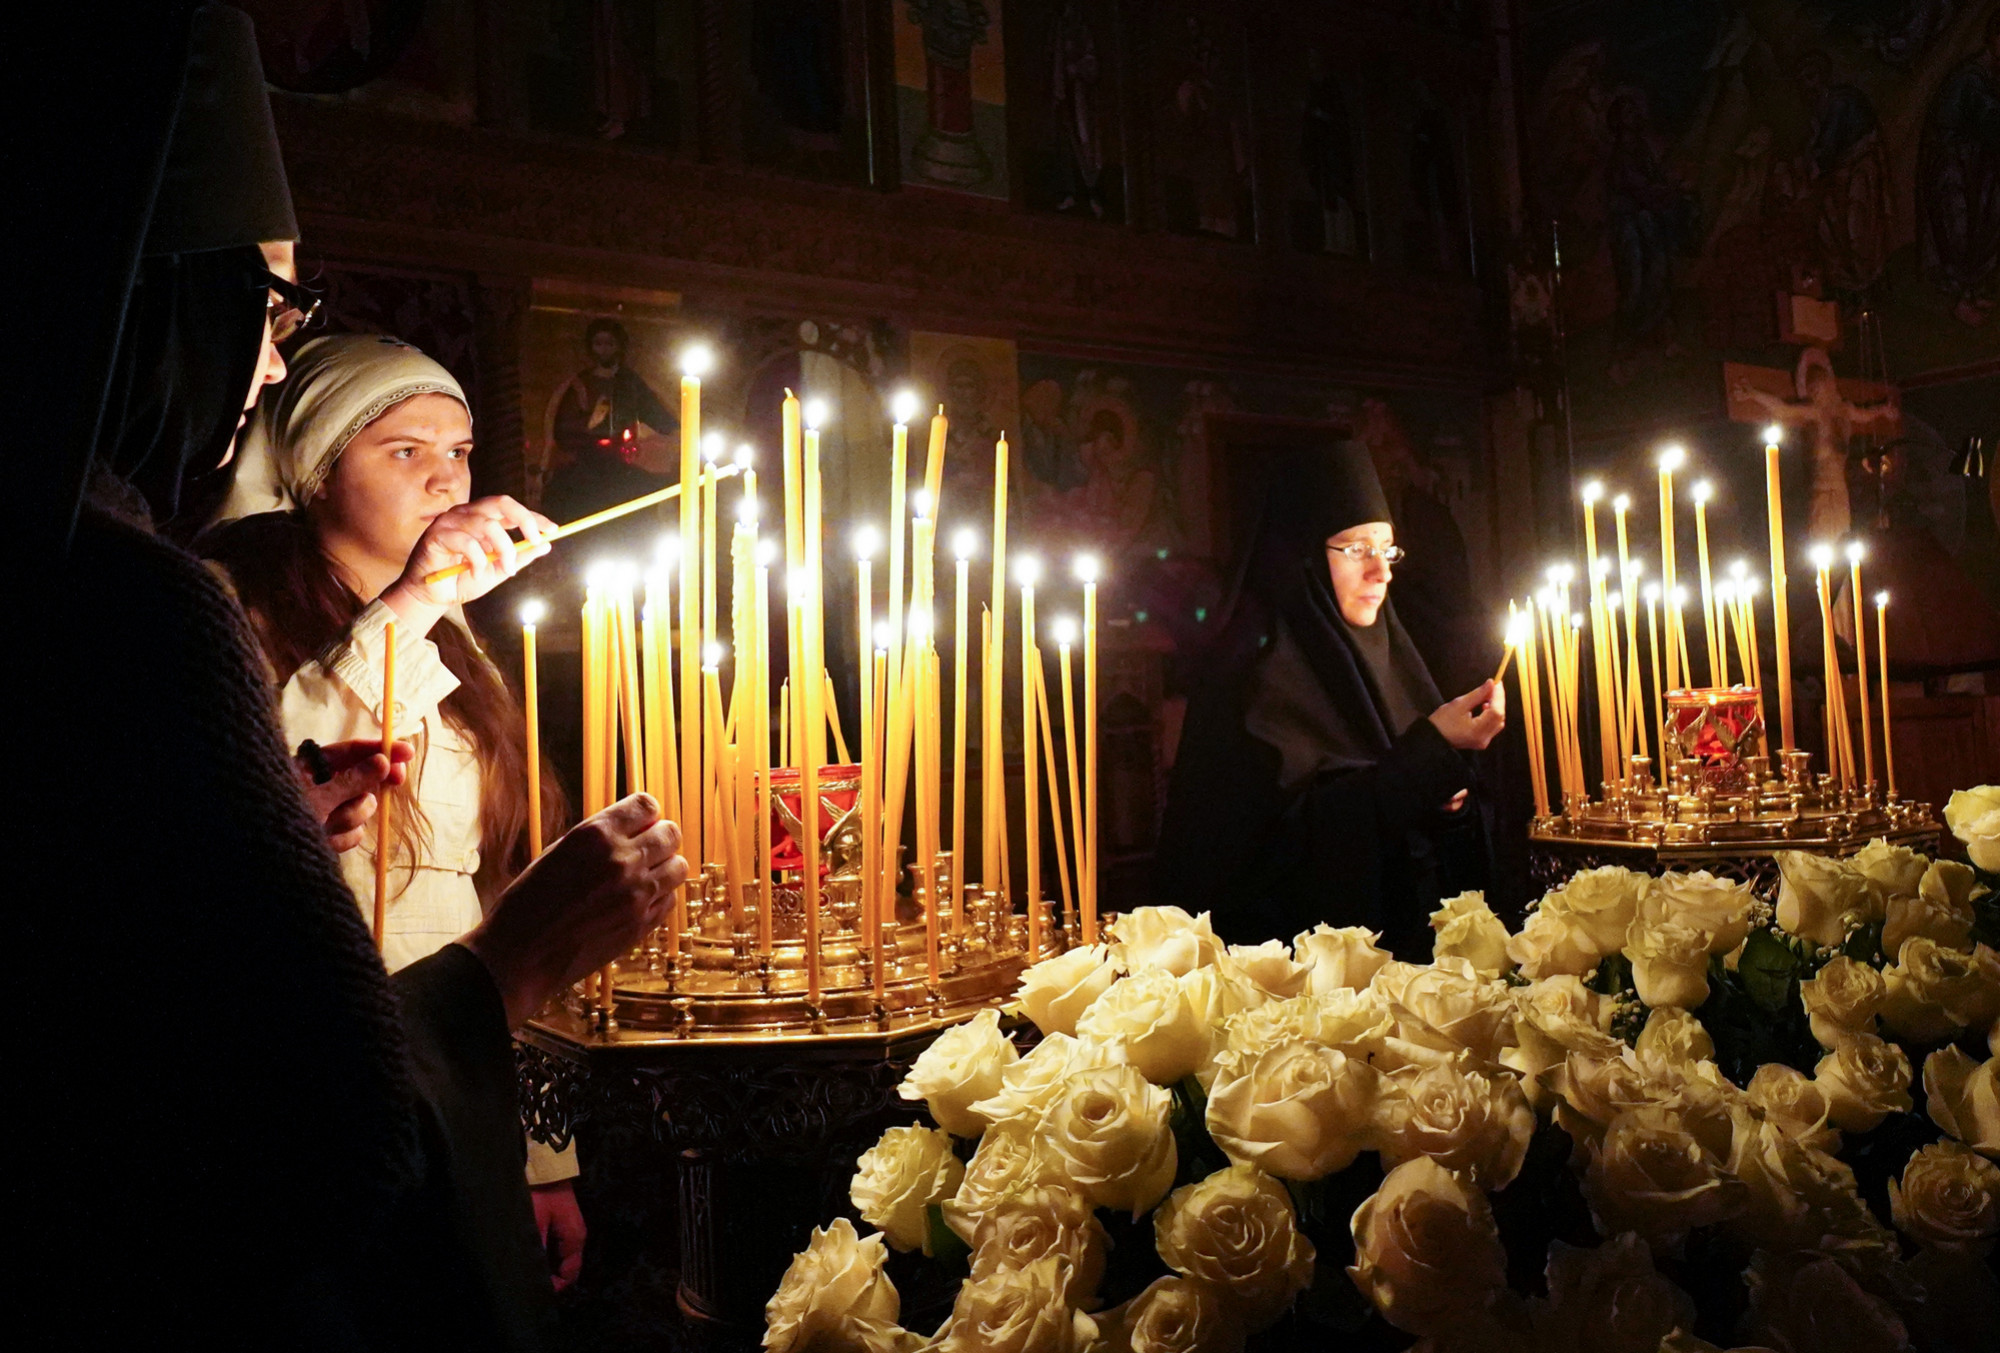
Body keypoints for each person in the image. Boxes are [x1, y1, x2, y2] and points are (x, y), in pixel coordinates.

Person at [16, 7, 685, 1348]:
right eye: (266, 303)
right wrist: (521, 959)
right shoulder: (156, 605)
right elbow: (288, 1127)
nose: (272, 353)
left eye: (462, 446)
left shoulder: (444, 654)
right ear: (156, 298)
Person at [204, 332, 588, 1289]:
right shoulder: (225, 605)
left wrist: (542, 1155)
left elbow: (502, 897)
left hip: (466, 1056)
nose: (445, 481)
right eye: (404, 451)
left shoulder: (461, 642)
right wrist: (410, 602)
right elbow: (273, 781)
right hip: (319, 1048)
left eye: (458, 451)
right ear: (320, 471)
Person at [1156, 443, 1502, 956]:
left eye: (1387, 550)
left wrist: (1449, 803)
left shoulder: (1397, 661)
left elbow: (1422, 842)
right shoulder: (1246, 684)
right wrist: (1424, 761)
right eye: (1357, 549)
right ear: (1300, 557)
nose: (1381, 572)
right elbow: (1268, 863)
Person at [540, 317, 677, 527]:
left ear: (619, 346)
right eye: (599, 344)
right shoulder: (581, 384)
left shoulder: (630, 382)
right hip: (588, 461)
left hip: (625, 462)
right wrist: (590, 425)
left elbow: (657, 416)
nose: (604, 350)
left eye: (609, 344)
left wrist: (665, 434)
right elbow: (563, 429)